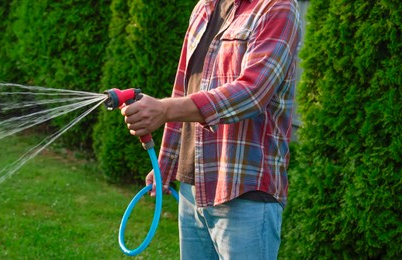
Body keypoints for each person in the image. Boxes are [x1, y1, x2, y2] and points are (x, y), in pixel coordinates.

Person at [121, 0, 301, 259]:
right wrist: (166, 162)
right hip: (192, 188)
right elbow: (184, 87)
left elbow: (253, 93)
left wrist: (164, 109)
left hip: (243, 190)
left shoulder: (276, 7)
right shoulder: (204, 7)